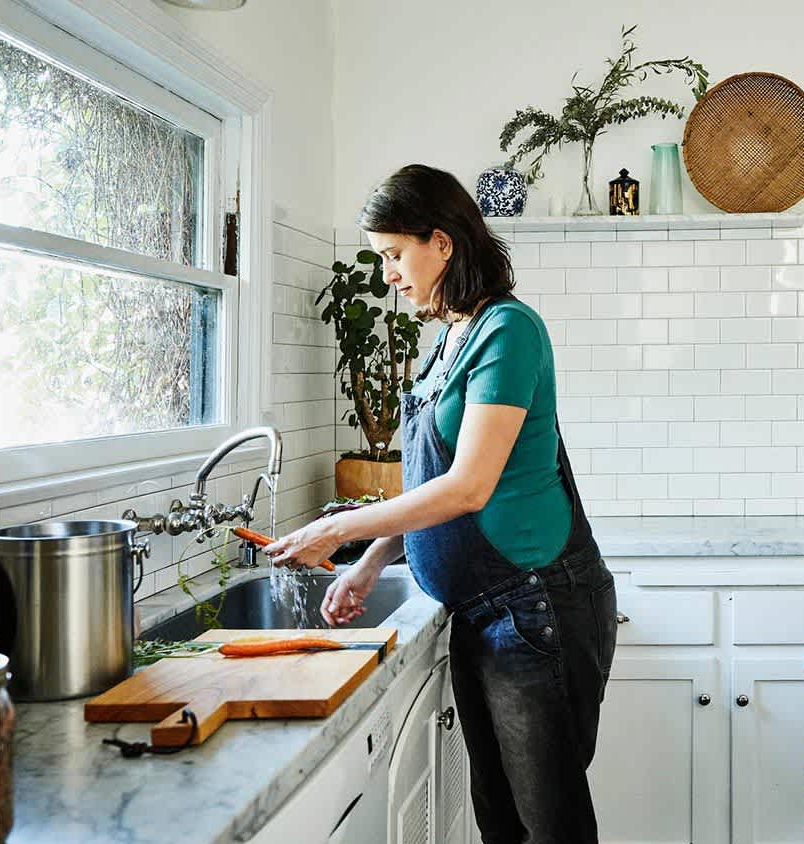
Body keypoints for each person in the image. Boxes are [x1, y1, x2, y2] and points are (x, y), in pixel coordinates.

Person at [264, 164, 617, 844]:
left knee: (549, 827)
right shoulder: (449, 339)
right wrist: (367, 561)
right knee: (502, 822)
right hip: (484, 611)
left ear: (442, 243)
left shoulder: (507, 331)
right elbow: (432, 484)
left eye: (395, 255)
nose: (389, 274)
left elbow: (469, 488)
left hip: (535, 605)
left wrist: (334, 527)